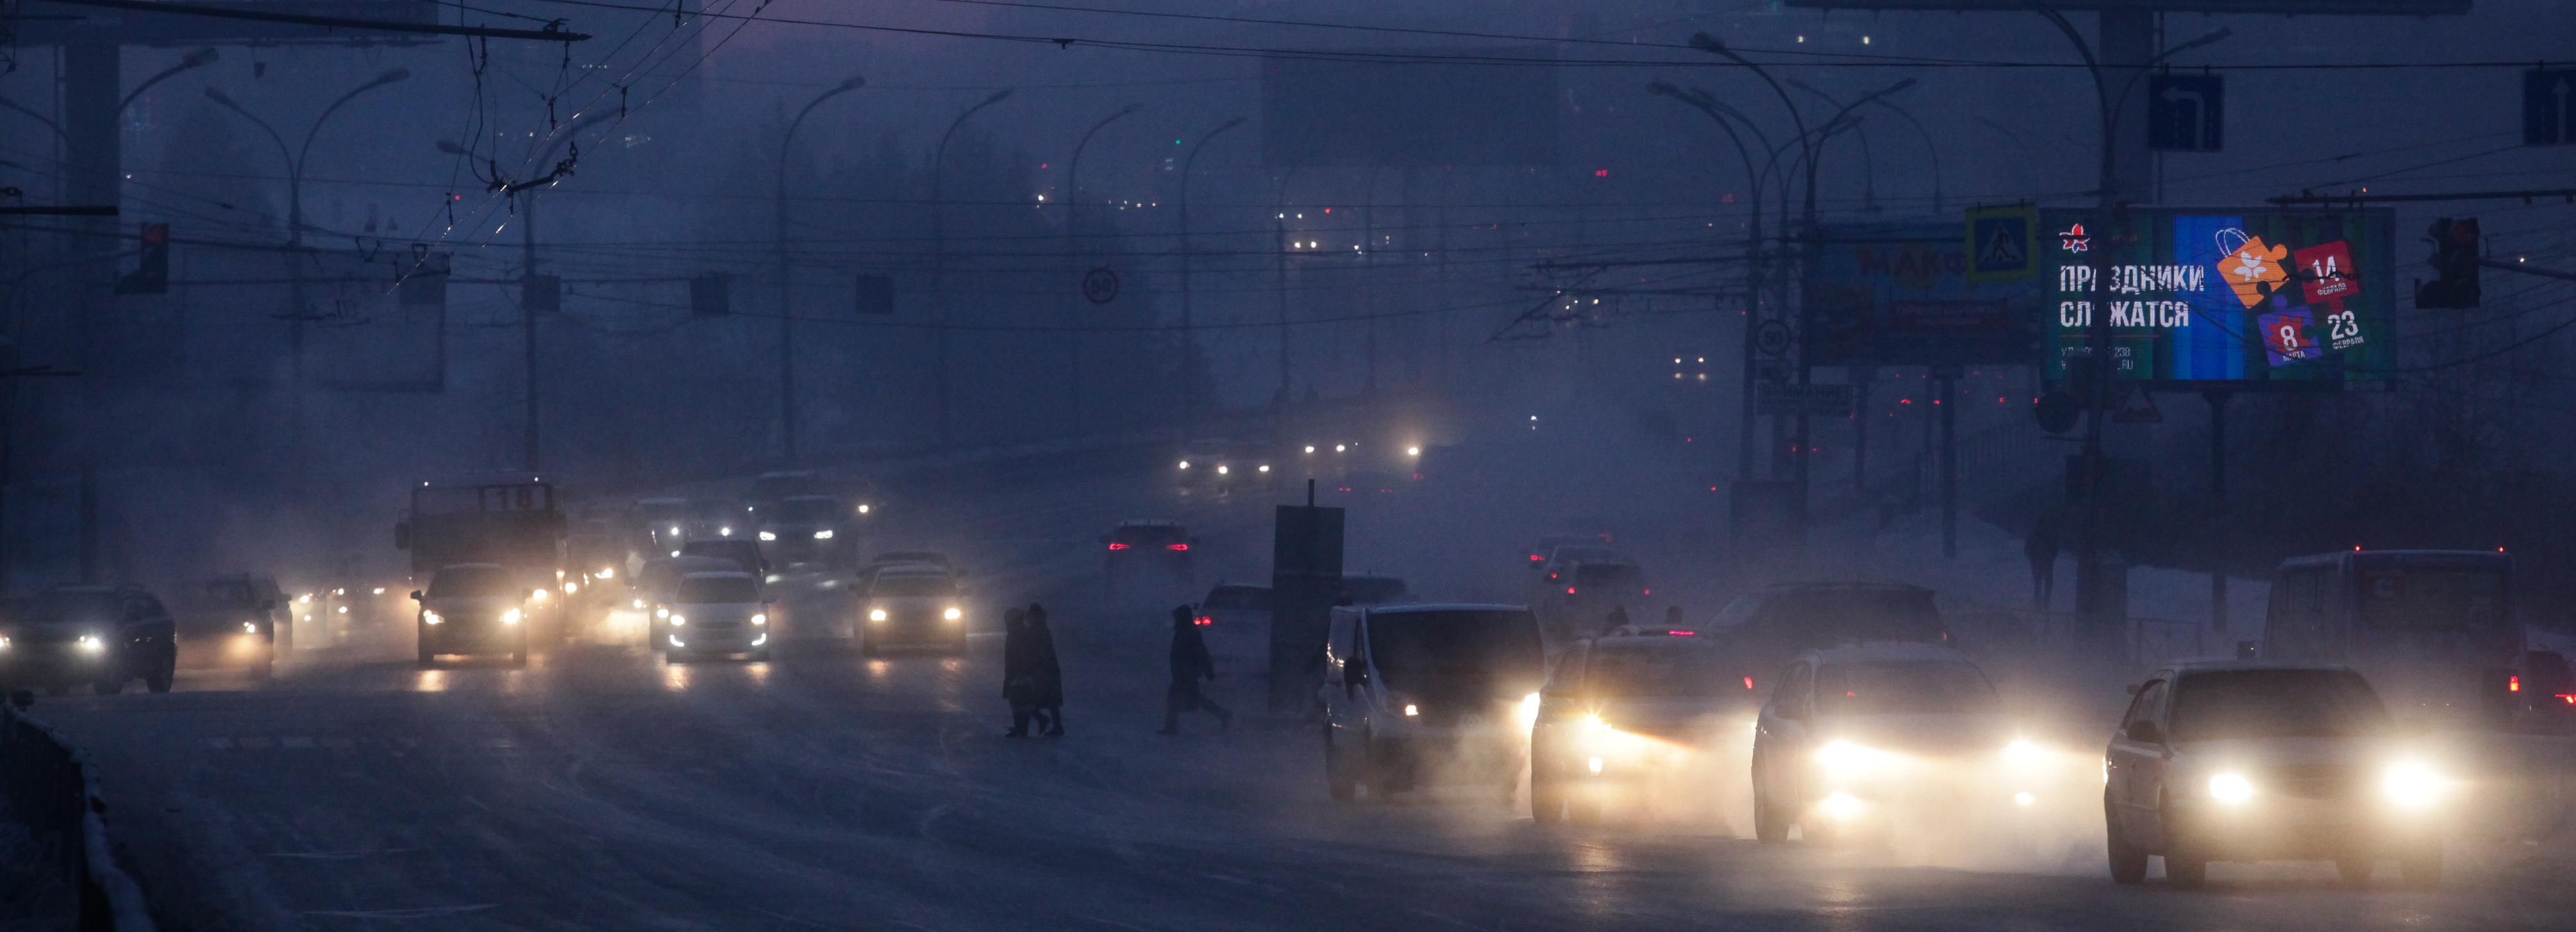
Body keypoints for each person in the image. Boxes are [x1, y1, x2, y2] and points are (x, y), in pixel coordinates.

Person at [1159, 604, 1230, 735]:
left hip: (1186, 672)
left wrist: (1207, 670)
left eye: (1177, 617)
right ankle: (1223, 714)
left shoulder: (1189, 633)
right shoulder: (1185, 632)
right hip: (1183, 672)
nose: (1175, 620)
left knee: (1176, 698)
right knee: (1193, 698)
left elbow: (1201, 653)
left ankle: (1170, 727)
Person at [1025, 602, 1064, 736]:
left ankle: (1045, 721)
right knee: (1051, 700)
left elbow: (1036, 651)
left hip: (1042, 670)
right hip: (1049, 668)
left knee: (1029, 698)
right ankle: (1056, 725)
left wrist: (1030, 664)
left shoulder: (1036, 631)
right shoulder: (1042, 629)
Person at [1001, 607, 1037, 737]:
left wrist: (1022, 670)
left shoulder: (1018, 634)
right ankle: (1021, 728)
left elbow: (1023, 654)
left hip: (1019, 671)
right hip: (1018, 671)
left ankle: (1021, 729)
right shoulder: (1019, 632)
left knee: (1019, 701)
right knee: (1020, 701)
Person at [2025, 513, 2062, 610]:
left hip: (2039, 564)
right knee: (2046, 584)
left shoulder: (2034, 536)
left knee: (2039, 585)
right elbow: (2055, 550)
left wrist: (2033, 559)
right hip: (2046, 564)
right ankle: (2045, 604)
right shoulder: (2050, 536)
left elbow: (2027, 550)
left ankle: (2039, 605)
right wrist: (2051, 559)